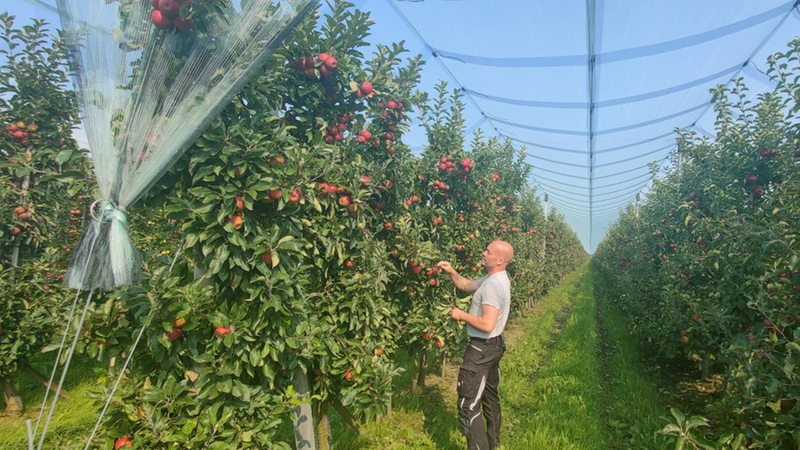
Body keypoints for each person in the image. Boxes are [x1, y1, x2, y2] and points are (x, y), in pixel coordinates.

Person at [436, 240, 514, 450]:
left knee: (468, 405)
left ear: (499, 260)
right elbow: (466, 285)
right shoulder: (495, 278)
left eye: (488, 252)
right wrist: (451, 272)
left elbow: (487, 324)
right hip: (494, 347)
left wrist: (461, 315)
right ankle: (492, 444)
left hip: (481, 349)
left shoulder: (493, 286)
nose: (483, 253)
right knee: (490, 398)